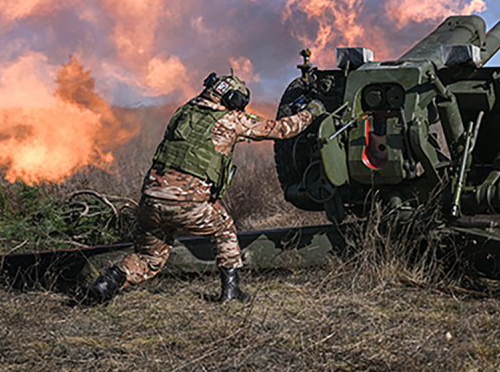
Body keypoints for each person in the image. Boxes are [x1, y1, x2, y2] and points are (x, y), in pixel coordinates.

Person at [86, 72, 325, 304]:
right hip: (187, 203)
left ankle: (106, 284)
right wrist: (312, 111)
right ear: (234, 100)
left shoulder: (184, 112)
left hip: (151, 200)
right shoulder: (232, 120)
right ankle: (231, 293)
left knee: (149, 258)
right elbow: (283, 129)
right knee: (224, 228)